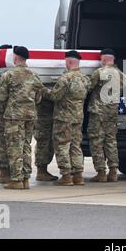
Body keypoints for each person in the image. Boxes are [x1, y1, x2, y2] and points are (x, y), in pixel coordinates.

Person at [0, 46, 44, 189]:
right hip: (30, 116)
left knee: (14, 147)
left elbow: (2, 97)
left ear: (15, 58)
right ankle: (25, 178)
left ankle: (16, 179)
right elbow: (39, 97)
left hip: (13, 116)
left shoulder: (8, 75)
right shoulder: (34, 75)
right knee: (26, 146)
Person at [45, 50, 90, 186]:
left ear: (69, 62)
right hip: (78, 117)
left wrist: (43, 90)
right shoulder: (85, 79)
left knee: (62, 145)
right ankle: (78, 175)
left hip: (63, 118)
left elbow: (54, 96)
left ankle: (66, 176)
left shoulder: (65, 78)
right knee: (75, 146)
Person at [87, 48, 126, 182]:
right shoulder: (121, 75)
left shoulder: (99, 73)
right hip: (112, 112)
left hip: (98, 112)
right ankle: (113, 171)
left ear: (103, 59)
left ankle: (101, 172)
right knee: (111, 141)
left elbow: (88, 87)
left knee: (96, 141)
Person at [0, 44, 13, 184]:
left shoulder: (9, 73)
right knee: (3, 142)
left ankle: (9, 171)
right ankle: (4, 172)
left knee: (10, 142)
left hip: (9, 112)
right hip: (2, 112)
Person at [34, 96, 58, 181]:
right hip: (44, 109)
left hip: (49, 108)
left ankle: (42, 170)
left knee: (47, 141)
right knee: (43, 140)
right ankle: (41, 171)